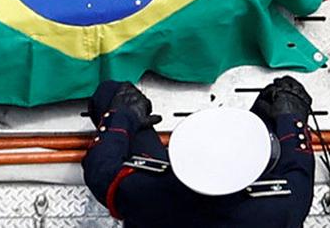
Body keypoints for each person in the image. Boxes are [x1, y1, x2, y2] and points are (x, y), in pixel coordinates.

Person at [82, 78, 314, 227]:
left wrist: (123, 116)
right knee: (270, 105)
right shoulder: (282, 208)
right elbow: (298, 168)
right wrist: (289, 116)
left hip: (167, 206)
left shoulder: (145, 193)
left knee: (111, 93)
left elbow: (101, 171)